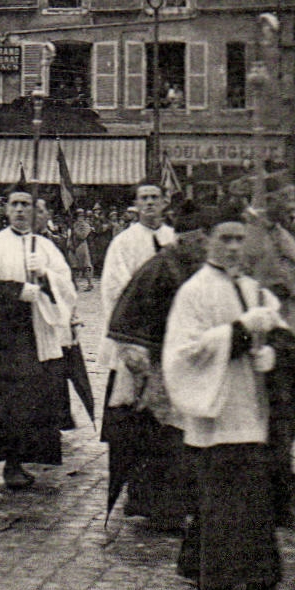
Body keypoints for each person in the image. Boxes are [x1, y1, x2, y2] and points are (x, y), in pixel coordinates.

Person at [163, 204, 295, 590]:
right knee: (227, 495)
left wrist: (273, 351)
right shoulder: (195, 291)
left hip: (250, 407)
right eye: (226, 238)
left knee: (250, 494)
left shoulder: (254, 289)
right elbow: (183, 353)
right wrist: (238, 333)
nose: (235, 247)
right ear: (207, 240)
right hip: (217, 411)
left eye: (240, 238)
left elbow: (284, 336)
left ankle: (207, 567)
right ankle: (226, 580)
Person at [0, 186, 78, 490]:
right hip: (5, 335)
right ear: (6, 209)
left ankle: (29, 457)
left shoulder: (47, 248)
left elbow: (67, 287)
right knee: (8, 400)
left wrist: (48, 276)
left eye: (27, 205)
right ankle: (10, 463)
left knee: (35, 398)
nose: (22, 210)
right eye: (15, 204)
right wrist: (15, 291)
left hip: (39, 330)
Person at [103, 203, 211, 532]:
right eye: (204, 238)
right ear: (190, 238)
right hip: (153, 364)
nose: (208, 246)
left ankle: (177, 503)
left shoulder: (197, 267)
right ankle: (157, 506)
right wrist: (140, 366)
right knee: (160, 434)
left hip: (182, 362)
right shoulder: (162, 267)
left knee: (180, 434)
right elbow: (128, 315)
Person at [239, 176, 295, 526]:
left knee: (283, 420)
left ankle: (282, 495)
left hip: (287, 338)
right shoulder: (249, 234)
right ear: (267, 198)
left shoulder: (282, 233)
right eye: (285, 198)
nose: (291, 205)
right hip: (259, 340)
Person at [100, 184, 179, 427]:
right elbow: (115, 286)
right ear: (136, 203)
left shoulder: (174, 238)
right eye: (144, 198)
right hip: (135, 330)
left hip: (167, 329)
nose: (149, 203)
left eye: (155, 197)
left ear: (165, 202)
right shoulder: (123, 242)